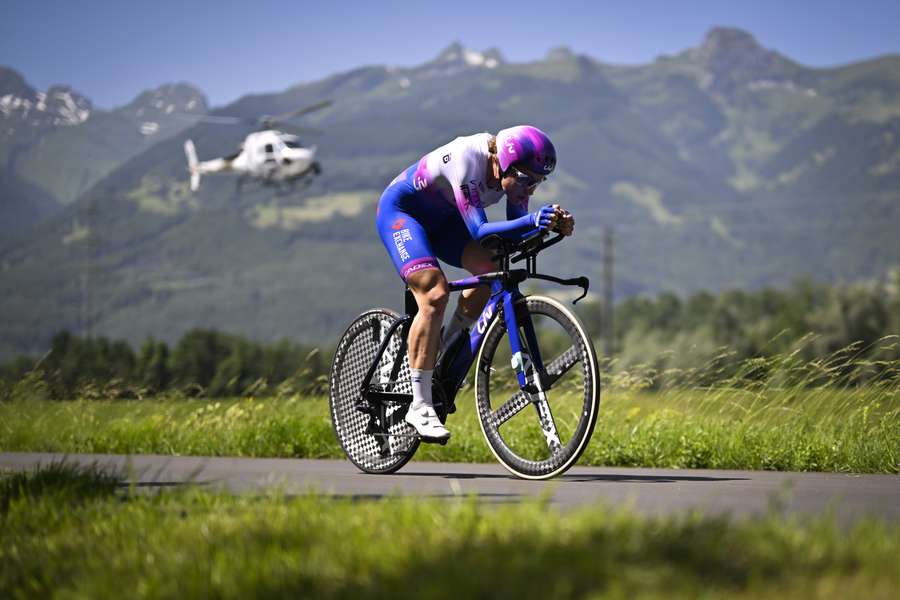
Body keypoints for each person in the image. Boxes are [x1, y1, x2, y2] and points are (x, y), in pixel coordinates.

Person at [375, 125, 574, 440]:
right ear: (503, 163)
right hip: (403, 216)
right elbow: (482, 230)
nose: (531, 189)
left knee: (489, 270)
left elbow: (512, 232)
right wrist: (535, 219)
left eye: (539, 181)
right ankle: (420, 405)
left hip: (446, 222)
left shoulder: (515, 178)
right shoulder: (468, 159)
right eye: (526, 179)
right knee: (435, 294)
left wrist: (550, 226)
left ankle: (444, 351)